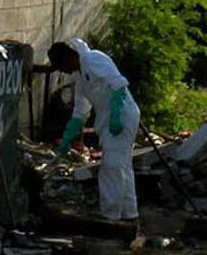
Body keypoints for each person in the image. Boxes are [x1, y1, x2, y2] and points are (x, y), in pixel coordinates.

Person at [49, 38, 140, 222]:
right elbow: (80, 111)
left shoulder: (93, 59)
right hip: (110, 120)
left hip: (120, 116)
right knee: (122, 166)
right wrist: (68, 137)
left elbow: (119, 84)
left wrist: (115, 114)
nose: (62, 70)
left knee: (111, 166)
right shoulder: (81, 78)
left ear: (69, 57)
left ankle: (110, 214)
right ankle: (128, 213)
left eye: (60, 65)